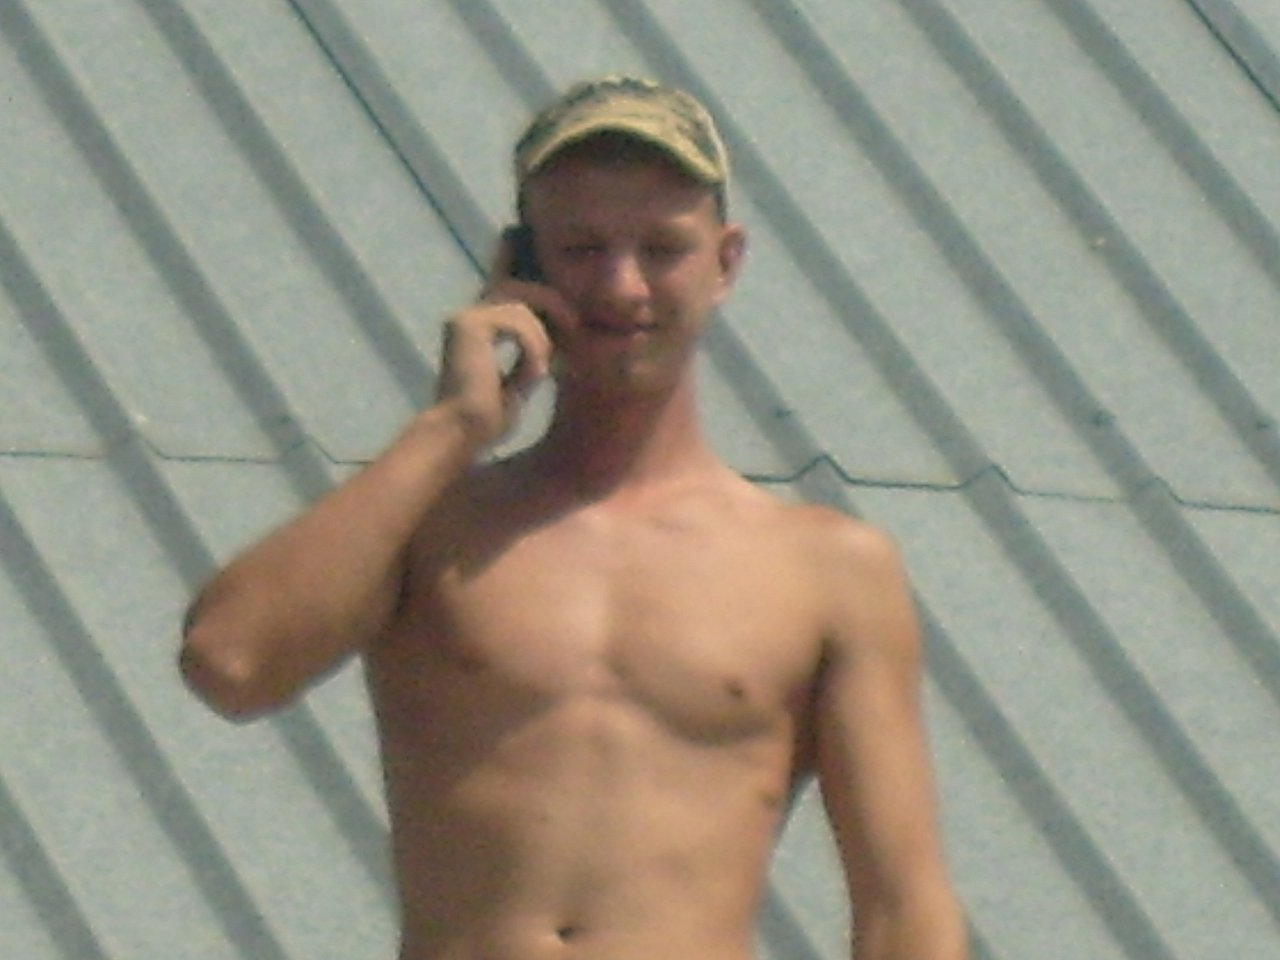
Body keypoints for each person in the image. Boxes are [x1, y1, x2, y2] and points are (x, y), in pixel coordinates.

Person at [179, 75, 968, 960]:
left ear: (725, 262)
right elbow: (230, 662)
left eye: (661, 248)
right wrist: (453, 425)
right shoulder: (429, 531)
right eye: (583, 248)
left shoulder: (827, 569)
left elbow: (904, 909)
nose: (623, 287)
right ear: (522, 263)